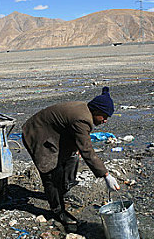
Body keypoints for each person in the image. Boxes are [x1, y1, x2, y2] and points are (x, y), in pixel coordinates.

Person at [22, 87, 121, 229]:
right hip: (37, 133)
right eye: (104, 116)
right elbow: (88, 151)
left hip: (54, 133)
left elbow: (80, 144)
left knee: (72, 158)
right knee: (51, 173)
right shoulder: (82, 119)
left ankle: (64, 191)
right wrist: (106, 175)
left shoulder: (85, 111)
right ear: (96, 111)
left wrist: (76, 148)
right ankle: (58, 211)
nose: (105, 120)